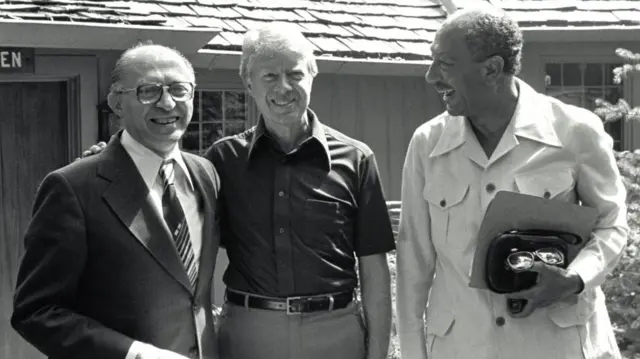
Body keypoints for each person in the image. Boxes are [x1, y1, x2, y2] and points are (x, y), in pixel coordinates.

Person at [395, 5, 628, 359]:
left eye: (444, 63)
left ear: (491, 68)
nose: (430, 76)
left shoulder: (574, 131)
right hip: (462, 348)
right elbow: (413, 263)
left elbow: (612, 224)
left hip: (554, 345)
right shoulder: (428, 143)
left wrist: (575, 277)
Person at [11, 43, 221, 359]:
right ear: (117, 104)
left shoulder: (204, 174)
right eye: (149, 91)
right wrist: (136, 354)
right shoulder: (73, 188)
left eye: (179, 90)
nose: (167, 103)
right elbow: (36, 311)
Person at [205, 23, 395, 359]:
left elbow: (374, 266)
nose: (284, 87)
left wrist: (378, 353)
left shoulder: (356, 159)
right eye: (269, 77)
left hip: (336, 334)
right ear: (248, 83)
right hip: (249, 335)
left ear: (312, 75)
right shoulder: (222, 160)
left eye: (295, 74)